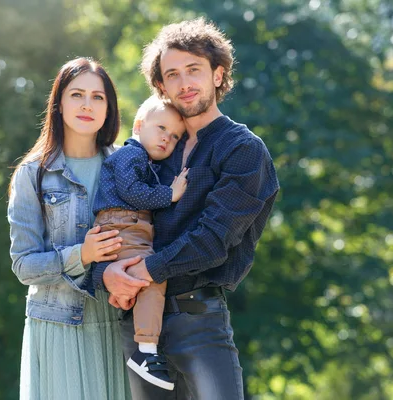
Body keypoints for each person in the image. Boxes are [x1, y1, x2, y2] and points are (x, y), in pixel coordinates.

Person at [92, 18, 280, 399]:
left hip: (199, 320)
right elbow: (116, 217)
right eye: (172, 75)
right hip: (137, 327)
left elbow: (213, 241)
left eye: (194, 69)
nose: (184, 83)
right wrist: (105, 274)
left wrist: (144, 270)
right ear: (161, 86)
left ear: (218, 73)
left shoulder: (242, 150)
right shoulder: (154, 150)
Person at [8, 57, 144, 400]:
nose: (87, 105)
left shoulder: (128, 167)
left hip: (120, 326)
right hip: (58, 327)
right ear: (59, 104)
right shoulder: (32, 174)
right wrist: (81, 255)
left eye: (98, 97)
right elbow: (24, 266)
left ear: (109, 108)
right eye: (77, 95)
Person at [92, 95, 188, 391]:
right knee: (154, 275)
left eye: (174, 137)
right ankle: (145, 351)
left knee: (140, 279)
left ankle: (125, 300)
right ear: (138, 125)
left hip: (129, 227)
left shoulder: (141, 159)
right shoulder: (130, 156)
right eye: (161, 128)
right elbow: (132, 192)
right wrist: (170, 194)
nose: (166, 139)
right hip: (124, 224)